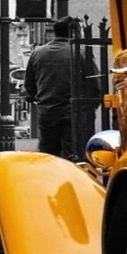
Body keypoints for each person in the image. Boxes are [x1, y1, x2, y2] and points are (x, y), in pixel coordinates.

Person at [23, 17, 102, 161]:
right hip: (76, 110)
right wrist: (94, 103)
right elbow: (94, 81)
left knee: (50, 153)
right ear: (74, 32)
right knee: (75, 153)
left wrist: (39, 98)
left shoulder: (38, 53)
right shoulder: (81, 51)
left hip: (47, 110)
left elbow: (29, 84)